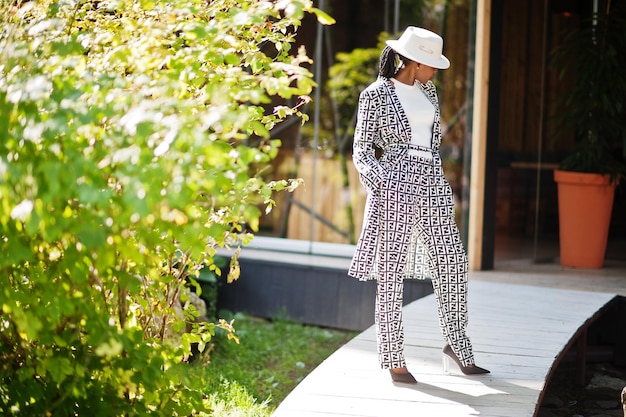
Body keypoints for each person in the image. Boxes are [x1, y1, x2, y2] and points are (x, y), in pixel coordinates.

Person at [348, 26, 489, 384]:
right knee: (391, 273)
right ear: (415, 61)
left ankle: (457, 343)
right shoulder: (375, 95)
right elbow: (362, 151)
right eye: (432, 64)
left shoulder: (429, 91)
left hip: (433, 180)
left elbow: (432, 143)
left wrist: (440, 182)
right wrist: (383, 183)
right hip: (395, 184)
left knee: (453, 263)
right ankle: (394, 357)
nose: (436, 71)